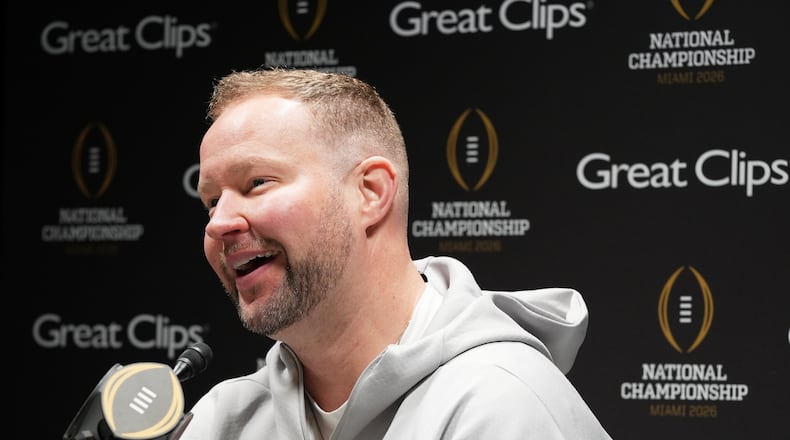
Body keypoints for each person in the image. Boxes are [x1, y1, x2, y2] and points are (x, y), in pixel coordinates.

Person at [181, 67, 612, 439]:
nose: (218, 224)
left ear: (370, 193)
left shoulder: (502, 403)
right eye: (212, 202)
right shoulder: (223, 420)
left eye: (257, 183)